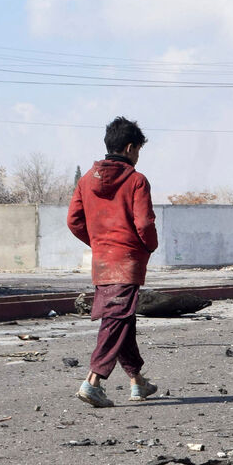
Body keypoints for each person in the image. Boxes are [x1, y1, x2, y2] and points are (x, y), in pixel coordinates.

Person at [67, 117, 160, 408]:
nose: (137, 157)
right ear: (130, 148)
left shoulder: (85, 181)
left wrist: (98, 243)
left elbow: (74, 221)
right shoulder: (136, 180)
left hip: (103, 263)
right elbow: (144, 222)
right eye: (138, 151)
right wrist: (147, 246)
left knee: (122, 319)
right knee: (115, 321)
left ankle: (137, 383)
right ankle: (92, 381)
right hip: (128, 261)